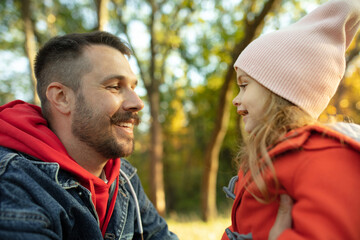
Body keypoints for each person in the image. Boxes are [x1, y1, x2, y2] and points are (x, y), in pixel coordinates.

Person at [0, 31, 178, 240]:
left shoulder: (123, 177)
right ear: (62, 97)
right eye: (114, 87)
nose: (137, 103)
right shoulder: (14, 184)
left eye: (132, 87)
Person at [222, 0, 360, 239]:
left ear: (280, 89)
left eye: (244, 85)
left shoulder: (323, 157)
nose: (236, 99)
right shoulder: (264, 156)